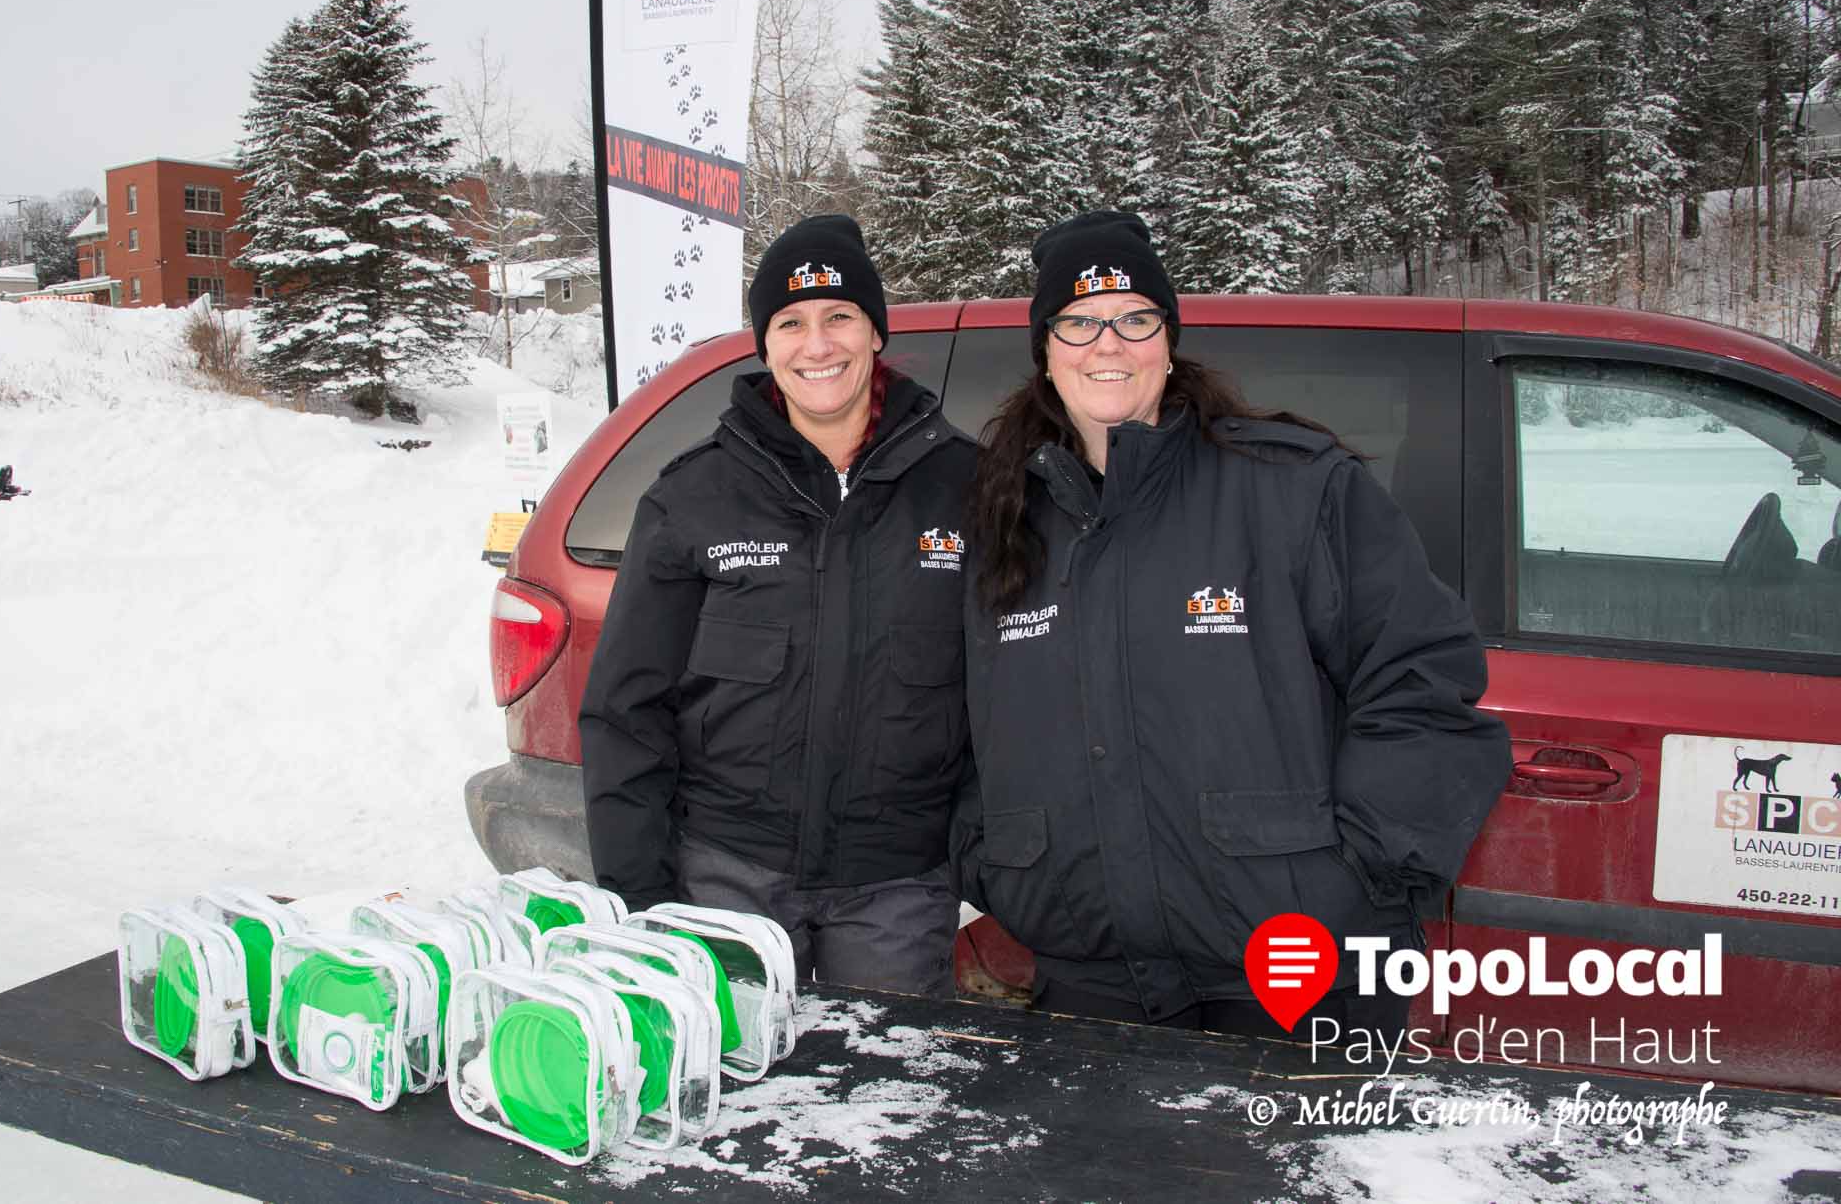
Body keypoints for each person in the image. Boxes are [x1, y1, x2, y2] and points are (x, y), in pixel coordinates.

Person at [953, 209, 1511, 1040]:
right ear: (1046, 350)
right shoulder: (1006, 523)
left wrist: (1355, 880)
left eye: (1135, 317)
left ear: (1168, 339)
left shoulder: (1289, 489)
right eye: (1078, 321)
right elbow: (963, 728)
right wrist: (997, 864)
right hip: (1094, 982)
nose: (1108, 342)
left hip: (1294, 971)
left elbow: (1423, 680)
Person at [580, 214, 975, 996]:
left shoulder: (965, 487)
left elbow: (1012, 698)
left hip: (896, 890)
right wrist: (640, 892)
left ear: (875, 332)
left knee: (889, 1097)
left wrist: (982, 857)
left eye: (839, 317)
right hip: (727, 881)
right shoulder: (693, 497)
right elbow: (626, 709)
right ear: (766, 346)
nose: (817, 344)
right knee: (730, 1088)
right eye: (790, 323)